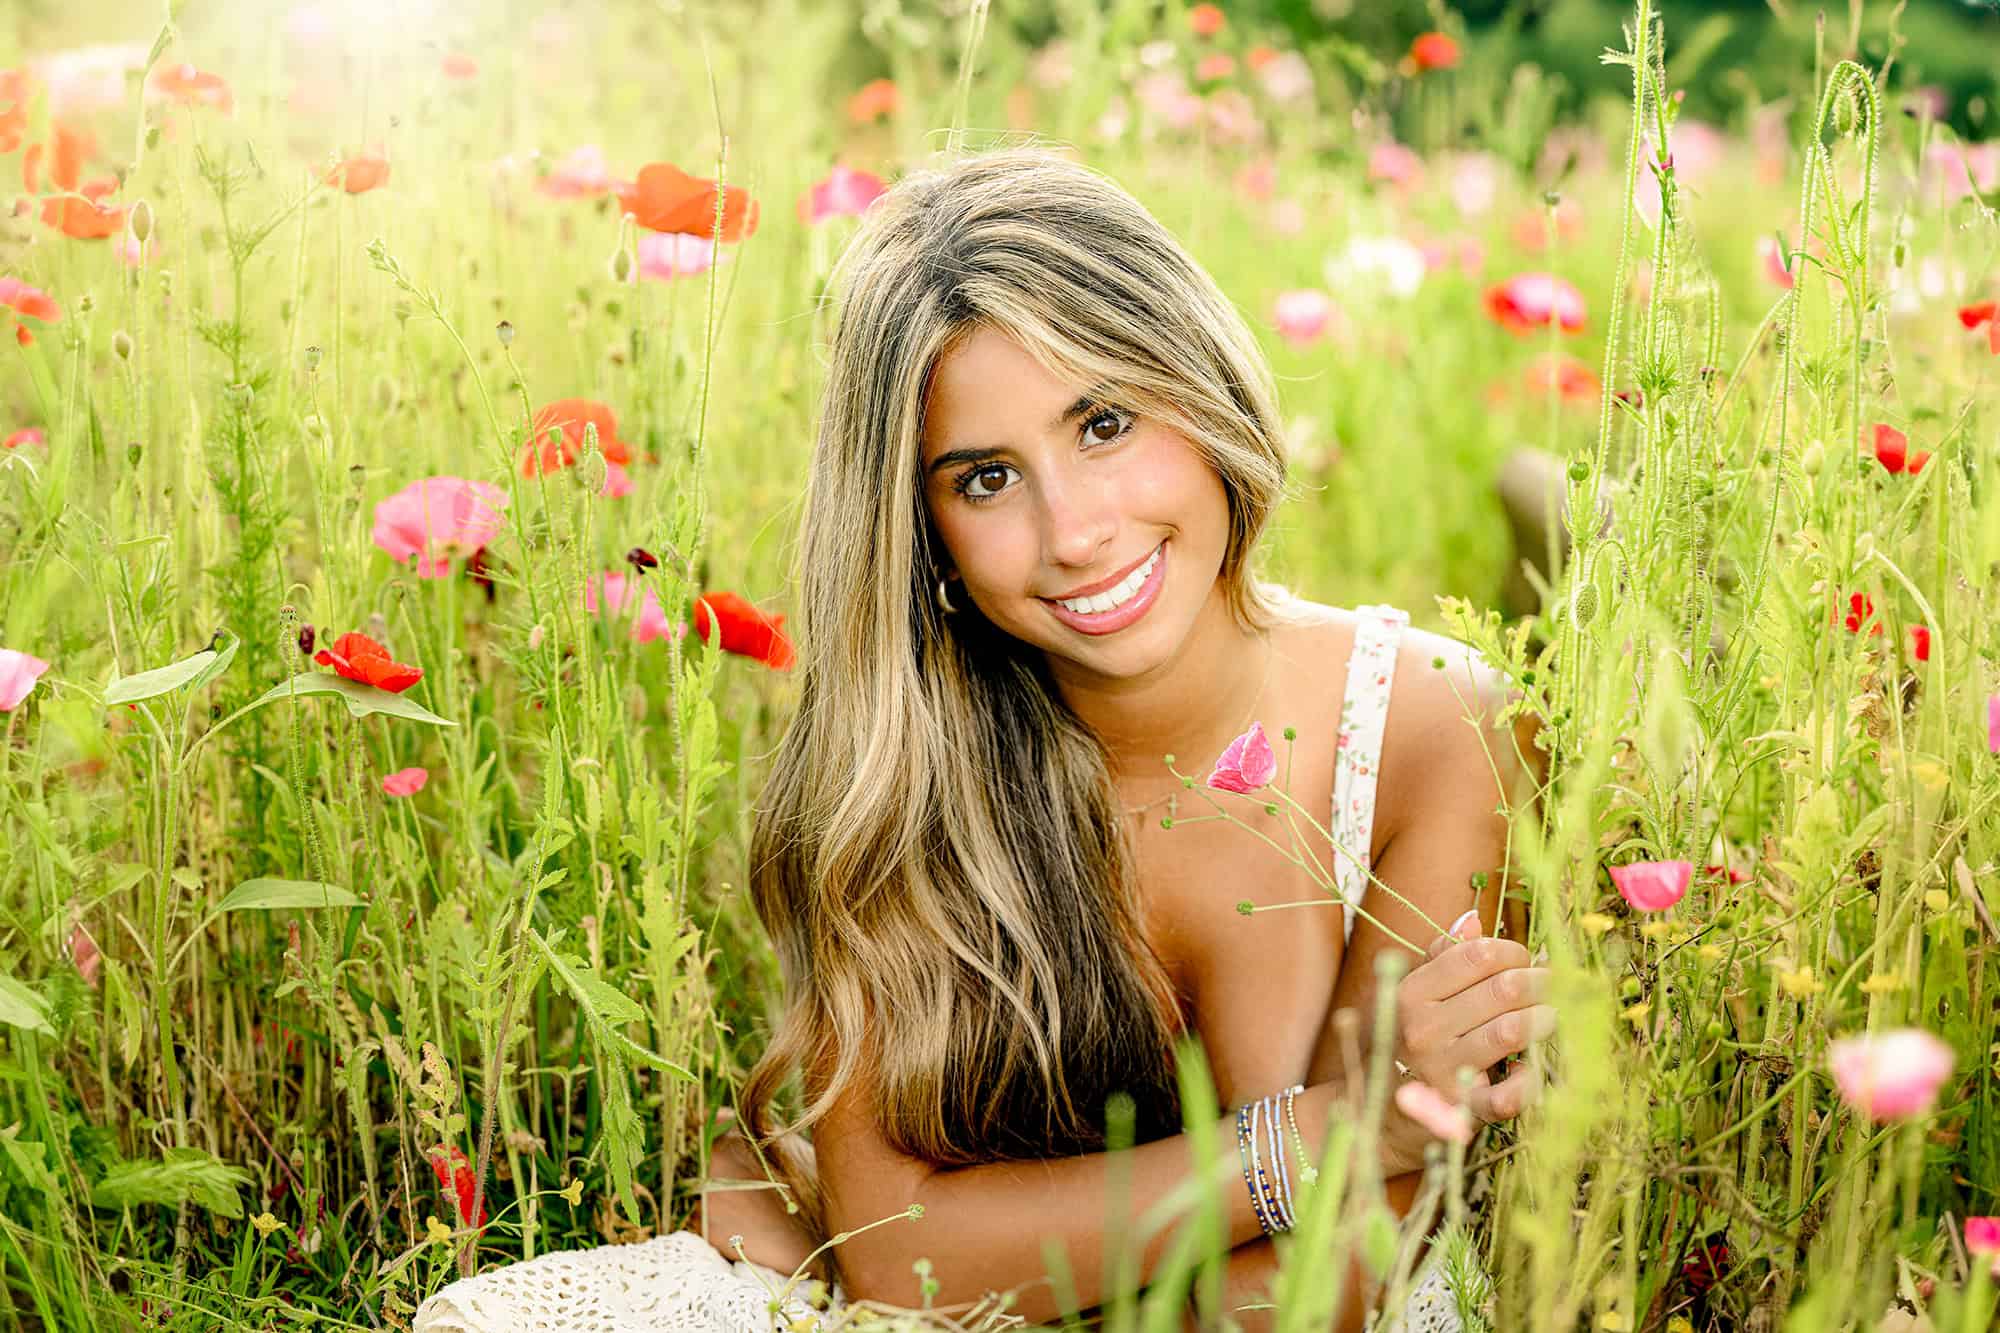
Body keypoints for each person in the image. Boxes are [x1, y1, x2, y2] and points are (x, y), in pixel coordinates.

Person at [415, 145, 1554, 1333]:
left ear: (1202, 387)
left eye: (1103, 422)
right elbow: (896, 1256)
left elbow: (1315, 1291)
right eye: (986, 479)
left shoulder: (1434, 729)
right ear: (925, 534)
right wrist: (1325, 1128)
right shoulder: (898, 769)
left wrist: (975, 1241)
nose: (1074, 532)